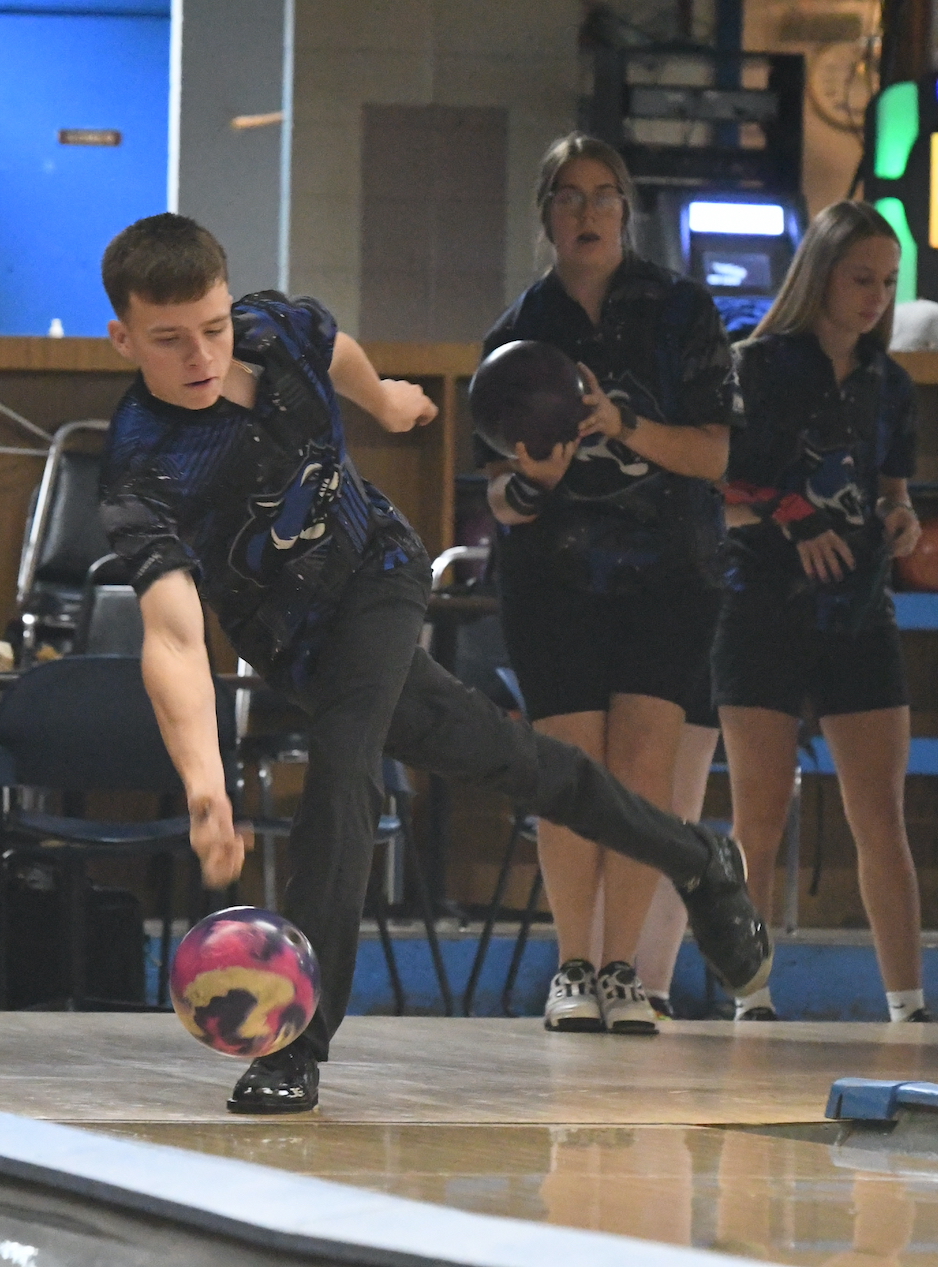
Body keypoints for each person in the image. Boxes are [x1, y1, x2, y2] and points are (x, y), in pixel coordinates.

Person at [99, 212, 772, 1113]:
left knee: (342, 772)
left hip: (378, 570)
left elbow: (332, 345)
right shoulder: (143, 465)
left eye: (212, 329)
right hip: (300, 646)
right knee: (517, 762)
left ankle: (300, 1041)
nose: (201, 355)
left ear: (231, 308)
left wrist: (380, 398)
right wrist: (204, 782)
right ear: (122, 337)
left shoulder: (271, 326)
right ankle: (697, 857)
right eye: (169, 340)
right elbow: (176, 636)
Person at [480, 134, 732, 1032]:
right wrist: (534, 483)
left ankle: (623, 970)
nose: (586, 213)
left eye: (602, 196)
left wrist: (623, 423)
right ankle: (572, 967)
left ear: (627, 209)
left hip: (671, 570)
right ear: (545, 213)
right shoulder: (517, 332)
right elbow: (502, 494)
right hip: (555, 576)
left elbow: (712, 452)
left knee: (639, 774)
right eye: (568, 197)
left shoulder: (682, 312)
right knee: (569, 774)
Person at [717, 201, 927, 1023]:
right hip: (760, 600)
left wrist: (901, 517)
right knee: (759, 809)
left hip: (858, 606)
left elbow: (894, 490)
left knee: (880, 810)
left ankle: (909, 1001)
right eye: (861, 278)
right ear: (822, 276)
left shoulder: (890, 383)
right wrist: (794, 518)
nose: (876, 297)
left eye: (888, 282)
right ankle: (750, 992)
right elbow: (718, 479)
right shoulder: (757, 365)